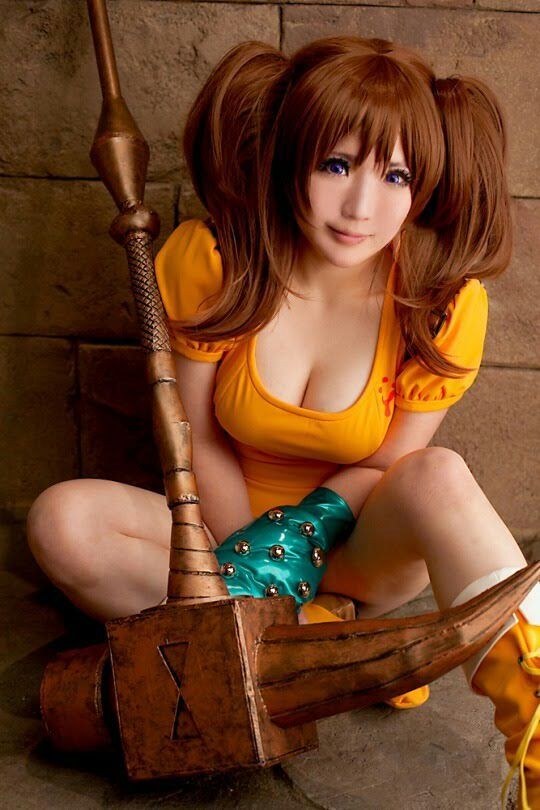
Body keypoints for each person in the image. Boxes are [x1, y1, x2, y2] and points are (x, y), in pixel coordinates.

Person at [26, 35, 539, 808]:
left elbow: (383, 467)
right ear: (290, 157)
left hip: (357, 549)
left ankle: (536, 734)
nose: (361, 208)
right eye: (336, 165)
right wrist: (252, 570)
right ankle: (316, 644)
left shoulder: (442, 303)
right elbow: (196, 437)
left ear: (424, 183)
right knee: (62, 520)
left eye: (395, 176)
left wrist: (291, 547)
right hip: (218, 537)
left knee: (438, 474)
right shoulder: (217, 260)